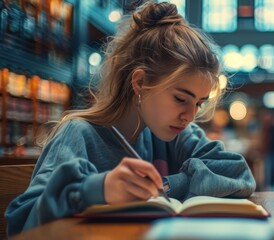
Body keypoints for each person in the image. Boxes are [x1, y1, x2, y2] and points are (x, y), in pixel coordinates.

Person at [5, 1, 256, 236]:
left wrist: (168, 185)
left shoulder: (173, 133)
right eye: (181, 99)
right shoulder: (77, 134)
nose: (190, 116)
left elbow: (239, 173)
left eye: (199, 103)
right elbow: (22, 224)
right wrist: (99, 189)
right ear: (140, 82)